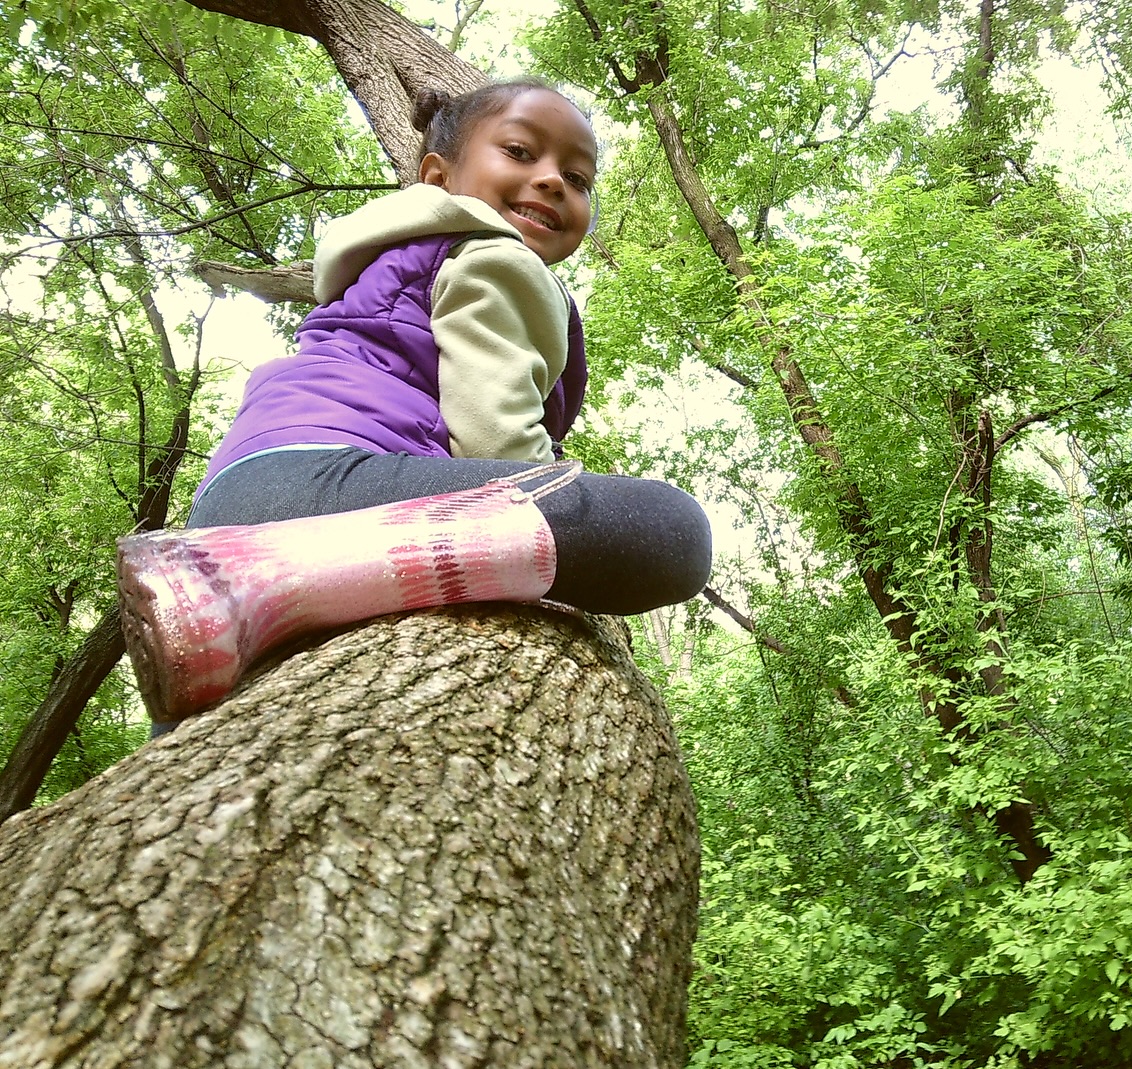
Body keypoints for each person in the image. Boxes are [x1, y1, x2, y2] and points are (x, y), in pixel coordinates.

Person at [116, 80, 711, 730]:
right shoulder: (495, 256)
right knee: (672, 532)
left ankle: (195, 674)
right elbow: (495, 435)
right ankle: (252, 579)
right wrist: (564, 532)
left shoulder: (386, 261)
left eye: (577, 175)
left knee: (204, 728)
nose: (551, 181)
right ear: (436, 175)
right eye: (519, 151)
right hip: (328, 482)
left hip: (240, 491)